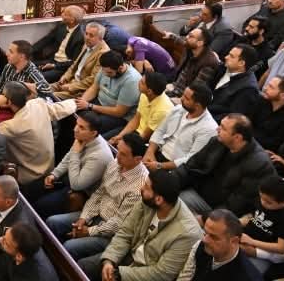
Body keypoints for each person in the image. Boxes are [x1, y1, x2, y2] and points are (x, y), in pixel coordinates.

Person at [46, 132, 148, 261]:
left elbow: (119, 223)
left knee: (69, 247)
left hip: (111, 233)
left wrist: (89, 231)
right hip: (95, 215)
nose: (117, 156)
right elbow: (99, 193)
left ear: (137, 159)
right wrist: (83, 218)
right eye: (118, 150)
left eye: (123, 154)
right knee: (52, 222)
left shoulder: (140, 187)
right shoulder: (115, 163)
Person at [86, 170, 201, 281]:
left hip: (146, 272)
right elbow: (125, 233)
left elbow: (161, 274)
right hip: (128, 254)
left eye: (146, 186)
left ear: (159, 199)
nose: (141, 188)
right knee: (84, 266)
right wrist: (109, 261)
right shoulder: (148, 201)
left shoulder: (186, 233)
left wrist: (119, 274)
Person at [176, 113, 276, 217]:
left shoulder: (258, 164)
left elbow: (237, 205)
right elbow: (190, 166)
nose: (217, 129)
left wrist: (205, 218)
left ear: (237, 137)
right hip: (195, 191)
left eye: (223, 128)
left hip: (217, 211)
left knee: (178, 201)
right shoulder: (217, 141)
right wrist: (170, 182)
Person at [0, 81, 77, 187]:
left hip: (30, 173)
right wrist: (75, 103)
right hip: (48, 166)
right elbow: (60, 108)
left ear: (8, 101)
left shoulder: (13, 125)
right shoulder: (37, 104)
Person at [29, 111, 113, 215]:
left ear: (93, 133)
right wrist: (54, 174)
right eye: (77, 124)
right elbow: (69, 157)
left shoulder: (100, 156)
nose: (75, 129)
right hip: (70, 179)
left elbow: (76, 185)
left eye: (82, 127)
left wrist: (76, 153)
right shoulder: (85, 138)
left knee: (40, 206)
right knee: (31, 189)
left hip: (84, 194)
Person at [144, 82, 219, 172]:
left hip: (174, 167)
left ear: (197, 106)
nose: (181, 98)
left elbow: (190, 159)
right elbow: (160, 130)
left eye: (186, 98)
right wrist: (150, 152)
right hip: (158, 151)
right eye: (183, 95)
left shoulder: (209, 128)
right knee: (131, 143)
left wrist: (159, 166)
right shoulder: (179, 109)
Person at [176, 209, 263, 281]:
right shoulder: (201, 246)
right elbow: (185, 277)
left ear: (234, 241)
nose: (205, 240)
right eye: (206, 233)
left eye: (214, 237)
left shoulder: (247, 277)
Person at [75, 51, 142, 138]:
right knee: (74, 112)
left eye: (109, 73)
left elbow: (119, 112)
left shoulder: (132, 81)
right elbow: (94, 88)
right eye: (104, 71)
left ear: (120, 68)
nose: (105, 74)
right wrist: (82, 101)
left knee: (89, 126)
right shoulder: (106, 69)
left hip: (117, 116)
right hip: (98, 103)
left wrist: (90, 106)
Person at [240, 176, 284, 262]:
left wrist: (252, 241)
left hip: (260, 251)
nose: (263, 202)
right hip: (243, 238)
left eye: (268, 202)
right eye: (261, 197)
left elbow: (281, 248)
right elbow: (251, 216)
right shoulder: (261, 200)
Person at [52, 22, 111, 101]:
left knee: (48, 97)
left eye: (91, 35)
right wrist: (65, 77)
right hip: (70, 81)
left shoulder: (104, 53)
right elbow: (75, 64)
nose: (87, 37)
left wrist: (72, 86)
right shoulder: (87, 44)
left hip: (80, 90)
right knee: (41, 88)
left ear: (100, 38)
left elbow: (93, 79)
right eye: (86, 34)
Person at [109, 71, 171, 145]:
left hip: (145, 140)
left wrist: (122, 142)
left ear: (149, 91)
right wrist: (120, 136)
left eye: (142, 82)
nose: (138, 82)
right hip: (135, 131)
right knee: (108, 140)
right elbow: (136, 119)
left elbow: (145, 136)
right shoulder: (145, 94)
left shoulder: (162, 110)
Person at [207, 45, 262, 122]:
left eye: (231, 56)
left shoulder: (248, 89)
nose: (226, 57)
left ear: (241, 63)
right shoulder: (223, 67)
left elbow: (232, 117)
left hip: (213, 121)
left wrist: (205, 117)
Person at [34, 5, 85, 82]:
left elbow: (74, 62)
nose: (62, 15)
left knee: (37, 77)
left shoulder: (80, 37)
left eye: (65, 14)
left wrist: (54, 66)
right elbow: (47, 39)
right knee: (28, 66)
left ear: (72, 20)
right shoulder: (62, 26)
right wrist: (28, 51)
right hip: (52, 60)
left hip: (62, 68)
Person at [168, 28, 221, 100]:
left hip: (183, 96)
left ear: (200, 43)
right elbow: (182, 42)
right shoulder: (191, 48)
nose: (186, 37)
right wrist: (171, 36)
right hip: (174, 86)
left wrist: (177, 97)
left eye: (191, 36)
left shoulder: (209, 63)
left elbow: (195, 89)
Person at [253, 76, 284, 154]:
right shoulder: (262, 100)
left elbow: (274, 145)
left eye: (271, 87)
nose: (265, 88)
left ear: (283, 96)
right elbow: (248, 122)